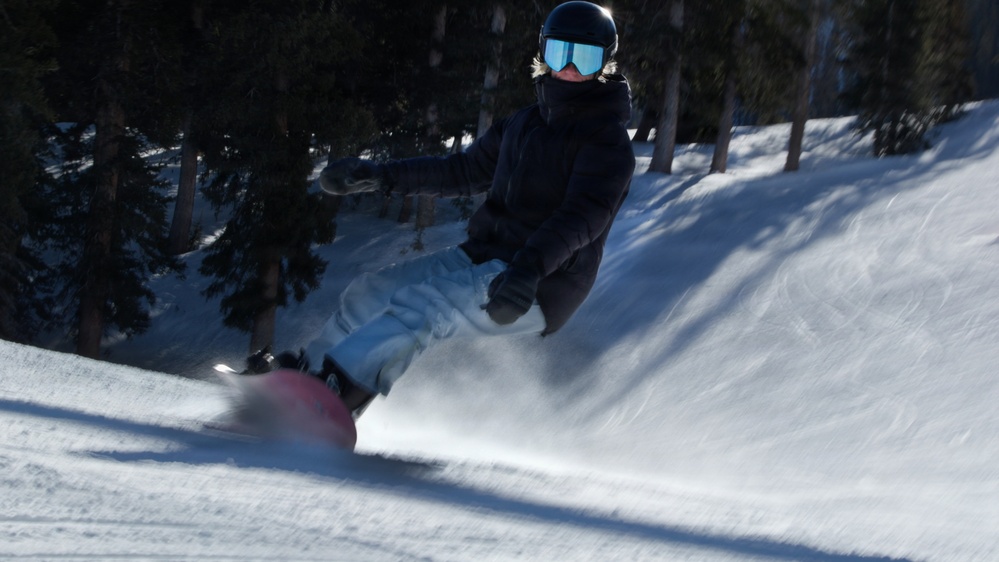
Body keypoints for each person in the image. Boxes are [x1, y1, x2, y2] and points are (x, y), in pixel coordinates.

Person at [249, 1, 635, 419]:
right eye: (562, 53)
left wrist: (527, 270)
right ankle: (308, 380)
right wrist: (381, 176)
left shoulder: (608, 142)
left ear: (605, 65)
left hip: (542, 280)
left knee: (425, 307)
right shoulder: (523, 123)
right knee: (370, 292)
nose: (572, 68)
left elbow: (582, 219)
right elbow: (462, 171)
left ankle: (334, 400)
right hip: (484, 257)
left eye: (587, 57)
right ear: (544, 53)